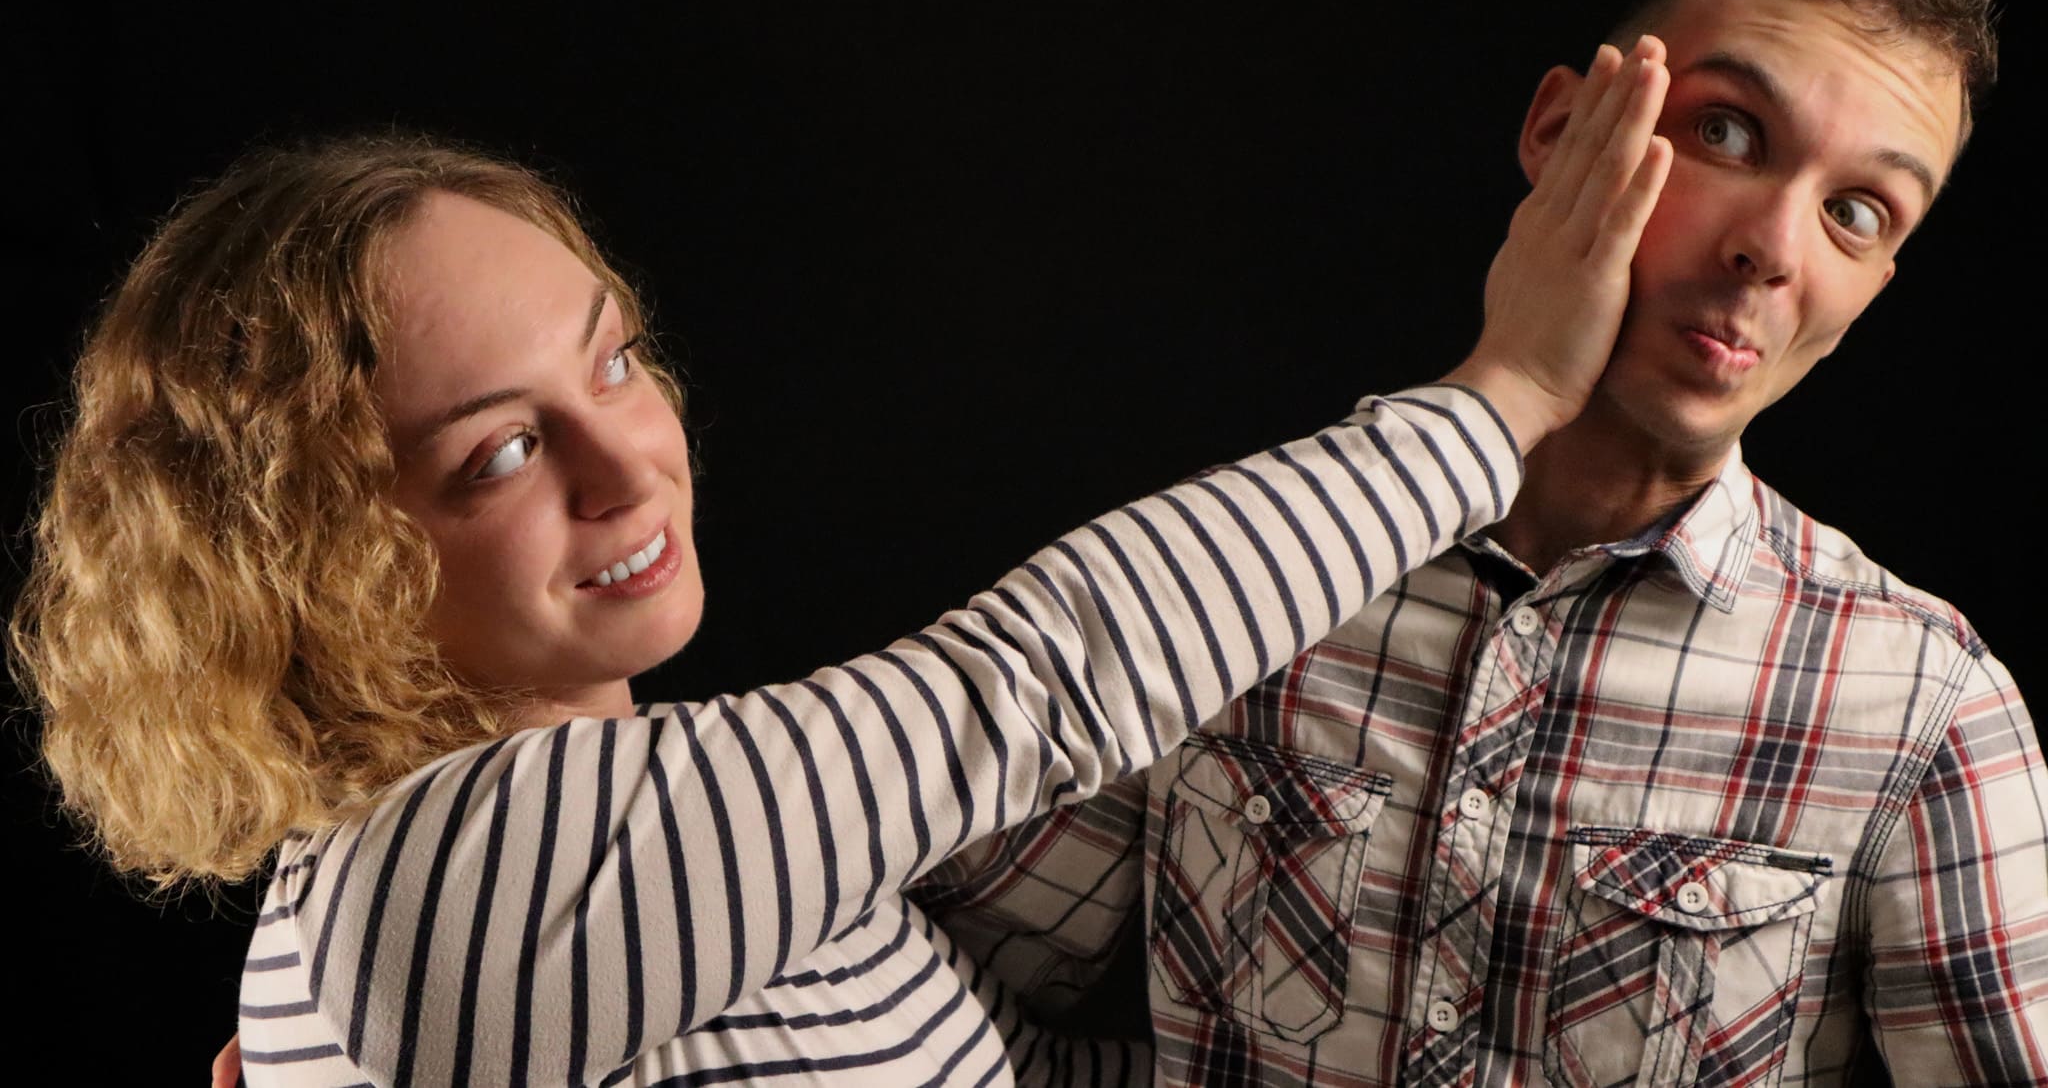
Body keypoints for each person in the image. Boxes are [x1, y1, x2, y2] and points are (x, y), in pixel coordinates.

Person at [12, 69, 1666, 1088]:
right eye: (494, 454)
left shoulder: (635, 844)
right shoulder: (445, 880)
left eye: (615, 359)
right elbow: (1033, 686)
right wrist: (1504, 398)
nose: (627, 461)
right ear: (302, 569)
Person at [919, 0, 2048, 1086]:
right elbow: (943, 975)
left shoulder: (1921, 709)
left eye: (1854, 212)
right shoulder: (1252, 584)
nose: (1771, 246)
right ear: (1561, 130)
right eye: (1725, 131)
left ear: (1870, 284)